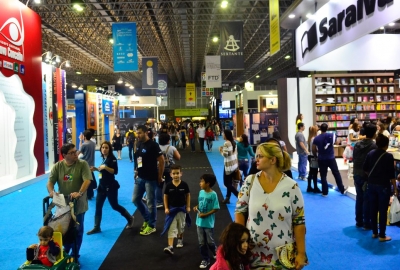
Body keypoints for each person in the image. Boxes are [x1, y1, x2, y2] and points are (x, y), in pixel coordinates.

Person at [235, 142, 307, 269]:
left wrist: (301, 253)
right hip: (253, 253)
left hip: (283, 256)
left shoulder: (292, 186)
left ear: (272, 160)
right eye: (256, 155)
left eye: (260, 156)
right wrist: (241, 241)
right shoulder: (249, 181)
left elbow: (299, 221)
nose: (256, 159)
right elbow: (240, 211)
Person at [47, 143, 92, 260]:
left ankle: (75, 255)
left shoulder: (82, 164)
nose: (75, 154)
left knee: (77, 230)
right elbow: (50, 182)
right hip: (63, 204)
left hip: (78, 204)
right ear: (64, 155)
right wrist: (52, 191)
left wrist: (80, 193)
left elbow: (87, 180)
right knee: (63, 229)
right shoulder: (58, 166)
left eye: (75, 151)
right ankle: (66, 250)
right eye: (72, 153)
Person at [86, 141, 134, 235]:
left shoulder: (112, 159)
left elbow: (114, 171)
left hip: (111, 187)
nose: (104, 149)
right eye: (103, 147)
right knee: (98, 206)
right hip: (102, 187)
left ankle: (130, 218)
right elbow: (102, 170)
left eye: (106, 148)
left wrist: (105, 167)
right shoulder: (104, 158)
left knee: (115, 206)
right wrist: (96, 169)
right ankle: (97, 227)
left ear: (109, 149)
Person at [363, 134, 398, 242]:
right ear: (386, 145)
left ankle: (374, 232)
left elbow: (365, 168)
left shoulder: (370, 154)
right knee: (382, 211)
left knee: (373, 209)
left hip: (372, 184)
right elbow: (392, 175)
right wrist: (395, 188)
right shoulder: (388, 156)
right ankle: (382, 235)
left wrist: (371, 176)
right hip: (383, 185)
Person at [133, 125, 165, 236]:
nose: (138, 135)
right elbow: (139, 158)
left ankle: (152, 226)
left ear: (146, 132)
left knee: (151, 203)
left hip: (151, 179)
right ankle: (147, 219)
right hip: (140, 177)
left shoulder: (153, 145)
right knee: (135, 199)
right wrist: (137, 170)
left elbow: (161, 160)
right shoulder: (139, 143)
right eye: (137, 133)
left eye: (140, 133)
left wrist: (160, 176)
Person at [162, 164, 191, 255]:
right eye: (174, 173)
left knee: (181, 226)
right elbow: (166, 196)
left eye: (177, 173)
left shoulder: (184, 184)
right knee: (171, 227)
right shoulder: (169, 185)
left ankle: (180, 238)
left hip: (182, 209)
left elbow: (188, 195)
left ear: (181, 173)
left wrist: (188, 206)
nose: (175, 175)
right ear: (170, 174)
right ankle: (170, 246)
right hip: (172, 210)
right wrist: (166, 207)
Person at [353, 123, 377, 230]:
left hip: (356, 172)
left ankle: (359, 221)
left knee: (359, 197)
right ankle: (367, 223)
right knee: (367, 199)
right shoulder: (374, 146)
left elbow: (354, 157)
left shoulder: (357, 144)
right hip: (366, 175)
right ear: (374, 133)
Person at [193, 174, 220, 269]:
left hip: (208, 223)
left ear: (208, 184)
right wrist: (197, 207)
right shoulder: (201, 192)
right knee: (201, 242)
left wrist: (206, 214)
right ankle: (205, 259)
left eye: (202, 181)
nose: (200, 183)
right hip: (199, 222)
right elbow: (201, 203)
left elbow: (216, 208)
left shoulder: (213, 194)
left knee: (210, 241)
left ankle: (215, 251)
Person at [312, 123, 346, 196]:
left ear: (320, 129)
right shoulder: (331, 135)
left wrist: (316, 156)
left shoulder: (316, 138)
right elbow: (337, 142)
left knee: (323, 175)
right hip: (331, 158)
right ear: (327, 128)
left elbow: (313, 149)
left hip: (321, 158)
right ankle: (342, 189)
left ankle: (325, 192)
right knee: (336, 173)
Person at [156, 133, 181, 208]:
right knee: (170, 185)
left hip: (159, 168)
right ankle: (171, 201)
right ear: (167, 140)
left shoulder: (156, 147)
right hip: (170, 169)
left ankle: (159, 202)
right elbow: (178, 158)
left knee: (159, 186)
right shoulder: (171, 148)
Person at [220, 129, 239, 204]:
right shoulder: (234, 142)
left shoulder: (226, 143)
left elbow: (225, 155)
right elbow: (235, 154)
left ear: (226, 135)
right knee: (230, 183)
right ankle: (227, 198)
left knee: (226, 183)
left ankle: (238, 195)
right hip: (234, 165)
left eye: (223, 133)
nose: (222, 134)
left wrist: (220, 150)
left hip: (228, 166)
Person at [78, 129, 97, 200]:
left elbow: (79, 152)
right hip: (91, 163)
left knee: (86, 180)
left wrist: (80, 140)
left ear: (84, 136)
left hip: (85, 164)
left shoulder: (84, 144)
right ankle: (92, 192)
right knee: (90, 178)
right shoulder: (93, 143)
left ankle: (89, 195)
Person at [307, 125, 321, 193]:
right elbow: (314, 149)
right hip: (313, 157)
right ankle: (315, 187)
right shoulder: (314, 139)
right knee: (314, 173)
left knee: (311, 172)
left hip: (310, 156)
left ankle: (309, 187)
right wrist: (316, 156)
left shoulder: (310, 138)